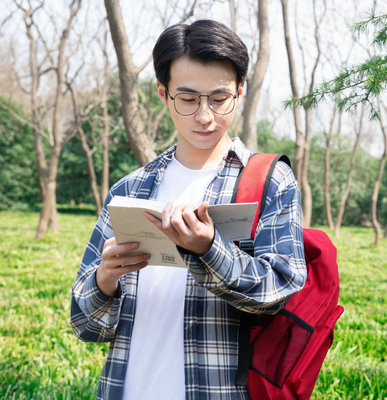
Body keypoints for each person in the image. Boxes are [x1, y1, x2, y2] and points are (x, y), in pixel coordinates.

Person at [70, 19, 306, 400]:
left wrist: (209, 248)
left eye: (218, 98)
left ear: (240, 91)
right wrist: (104, 280)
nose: (204, 115)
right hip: (126, 389)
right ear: (163, 94)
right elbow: (85, 325)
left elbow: (279, 293)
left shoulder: (270, 181)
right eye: (188, 98)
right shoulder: (129, 189)